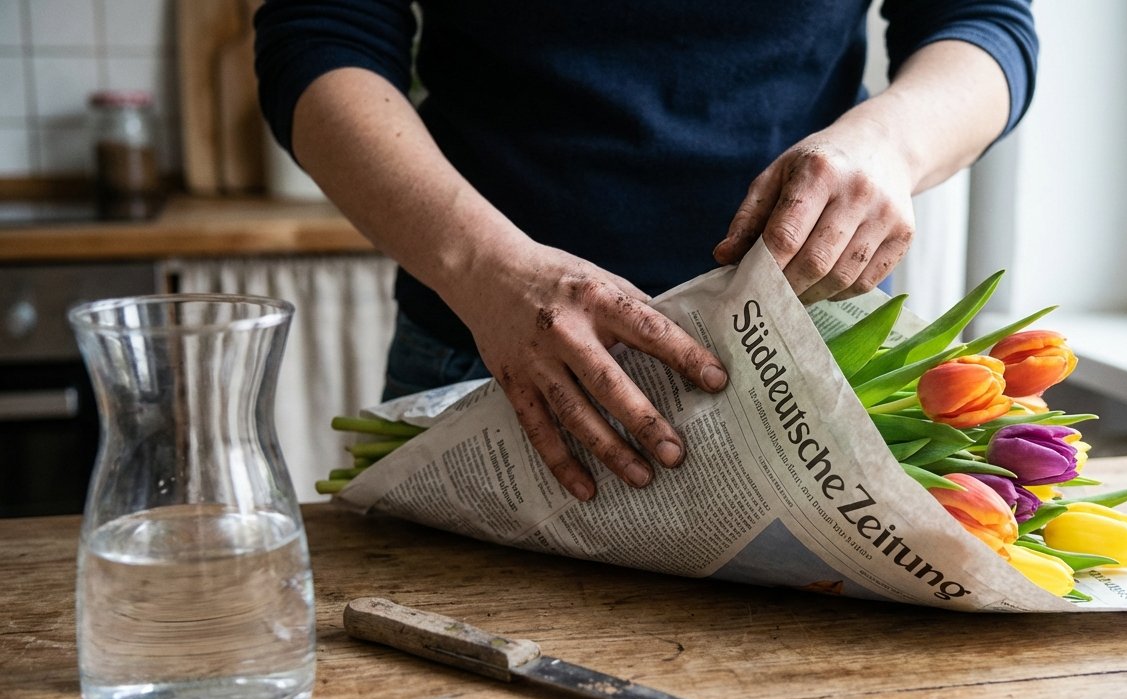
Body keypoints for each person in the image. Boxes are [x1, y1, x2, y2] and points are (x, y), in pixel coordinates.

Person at [254, 0, 1038, 502]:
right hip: (484, 347)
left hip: (809, 349)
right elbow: (320, 29)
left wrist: (892, 145)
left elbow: (980, 19)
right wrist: (483, 267)